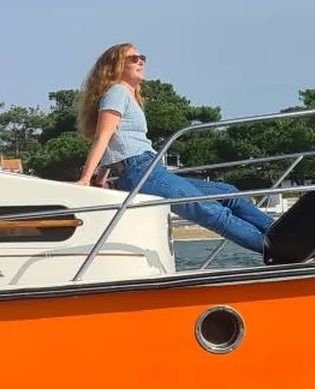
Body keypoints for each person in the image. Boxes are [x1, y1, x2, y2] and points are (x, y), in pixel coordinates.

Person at [74, 43, 274, 255]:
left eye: (142, 57)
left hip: (148, 169)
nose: (141, 61)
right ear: (116, 66)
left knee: (228, 193)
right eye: (133, 58)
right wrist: (86, 178)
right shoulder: (117, 92)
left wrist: (101, 178)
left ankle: (279, 230)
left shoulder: (127, 95)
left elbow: (115, 140)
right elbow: (103, 136)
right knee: (209, 210)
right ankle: (274, 248)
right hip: (140, 171)